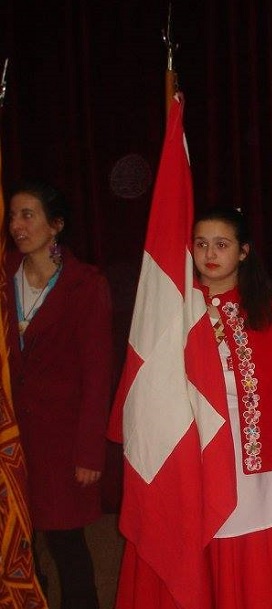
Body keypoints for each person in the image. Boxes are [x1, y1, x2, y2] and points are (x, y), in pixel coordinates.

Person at [190, 207, 272, 607]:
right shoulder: (176, 310)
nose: (210, 253)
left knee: (258, 538)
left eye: (222, 244)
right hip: (197, 446)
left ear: (243, 252)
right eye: (201, 243)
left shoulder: (270, 313)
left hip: (257, 452)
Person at [5, 180, 113, 609]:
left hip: (61, 440)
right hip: (10, 436)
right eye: (12, 215)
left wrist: (89, 451)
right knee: (17, 540)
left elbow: (97, 373)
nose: (16, 225)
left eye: (27, 215)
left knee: (66, 543)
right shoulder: (2, 274)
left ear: (56, 226)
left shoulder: (85, 285)